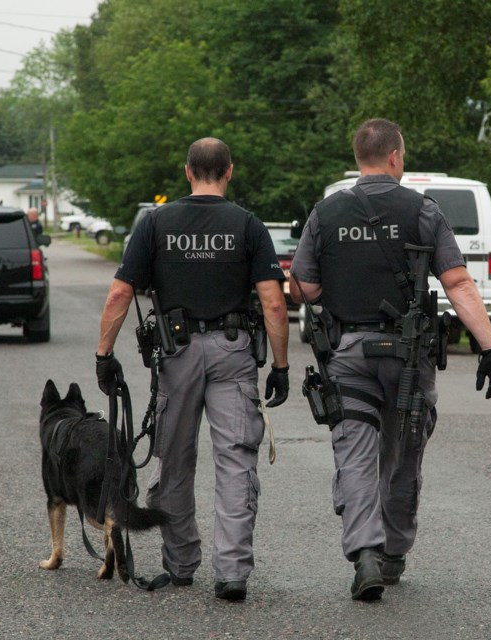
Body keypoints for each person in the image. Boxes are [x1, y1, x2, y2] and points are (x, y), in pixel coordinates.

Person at [288, 118, 491, 601]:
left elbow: (301, 286)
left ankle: (364, 552)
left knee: (355, 455)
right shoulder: (423, 211)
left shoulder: (325, 213)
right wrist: (489, 348)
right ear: (394, 157)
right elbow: (458, 284)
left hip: (348, 355)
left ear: (358, 158)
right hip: (408, 357)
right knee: (403, 457)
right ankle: (392, 553)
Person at [95, 137, 290, 602]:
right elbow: (273, 304)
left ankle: (181, 565)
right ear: (229, 171)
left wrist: (104, 355)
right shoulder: (247, 224)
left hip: (176, 354)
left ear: (187, 172)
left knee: (174, 461)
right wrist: (281, 366)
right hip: (232, 351)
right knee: (237, 460)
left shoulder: (156, 222)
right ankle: (232, 574)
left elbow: (120, 294)